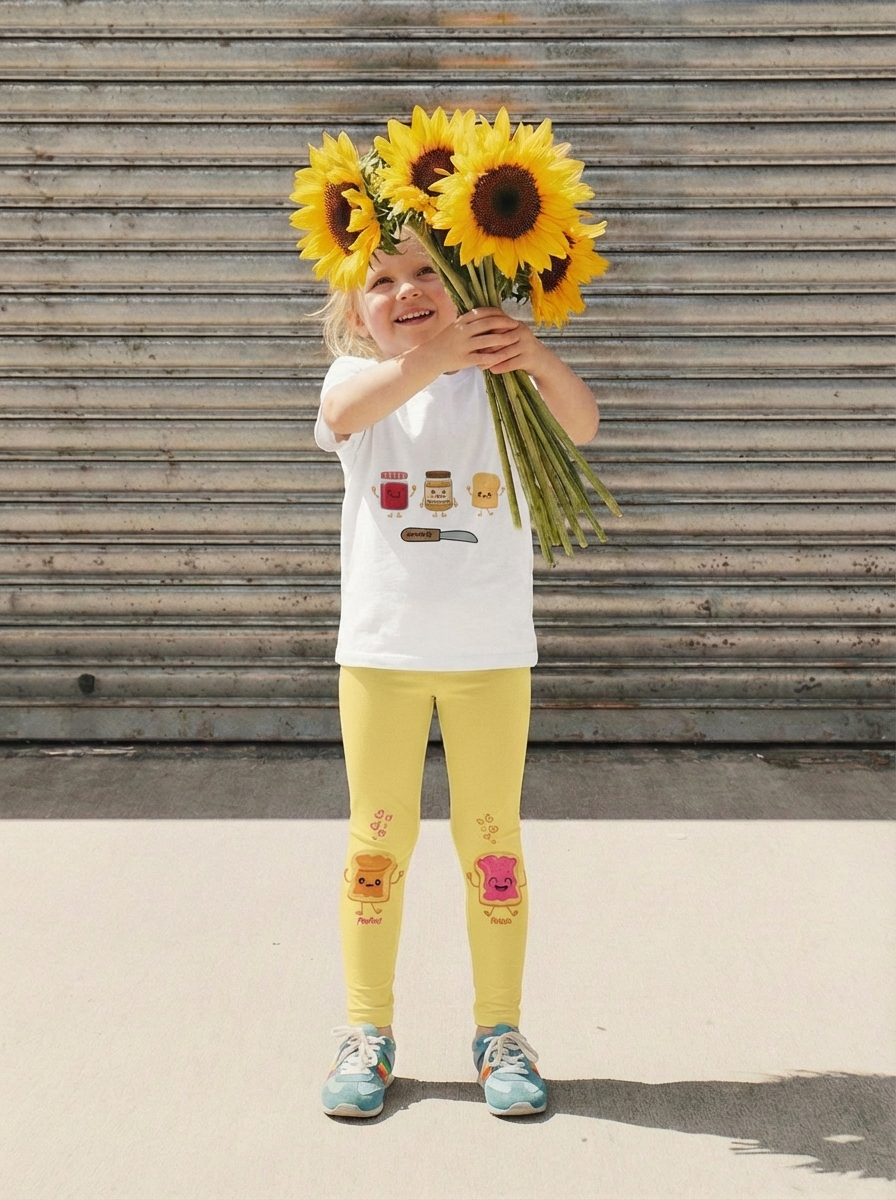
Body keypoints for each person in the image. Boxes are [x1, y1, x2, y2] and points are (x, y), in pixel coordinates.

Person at [315, 233, 599, 1119]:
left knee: (493, 846)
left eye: (426, 272)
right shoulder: (358, 382)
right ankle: (367, 1032)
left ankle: (500, 1032)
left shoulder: (502, 387)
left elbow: (583, 424)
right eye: (381, 281)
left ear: (466, 280)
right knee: (377, 846)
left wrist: (534, 356)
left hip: (490, 657)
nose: (406, 291)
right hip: (383, 658)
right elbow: (349, 411)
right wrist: (435, 356)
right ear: (355, 311)